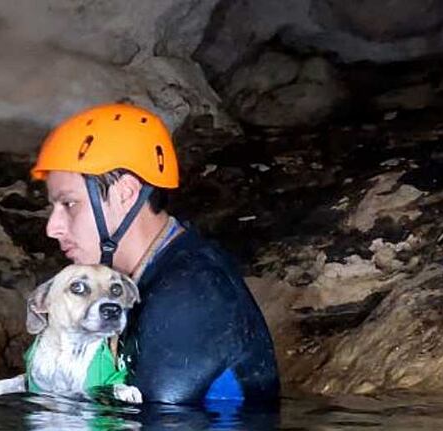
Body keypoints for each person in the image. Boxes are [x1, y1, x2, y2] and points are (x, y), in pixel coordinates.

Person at [32, 102, 280, 406]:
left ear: (125, 193)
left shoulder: (191, 293)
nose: (52, 228)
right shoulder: (156, 273)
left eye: (69, 204)